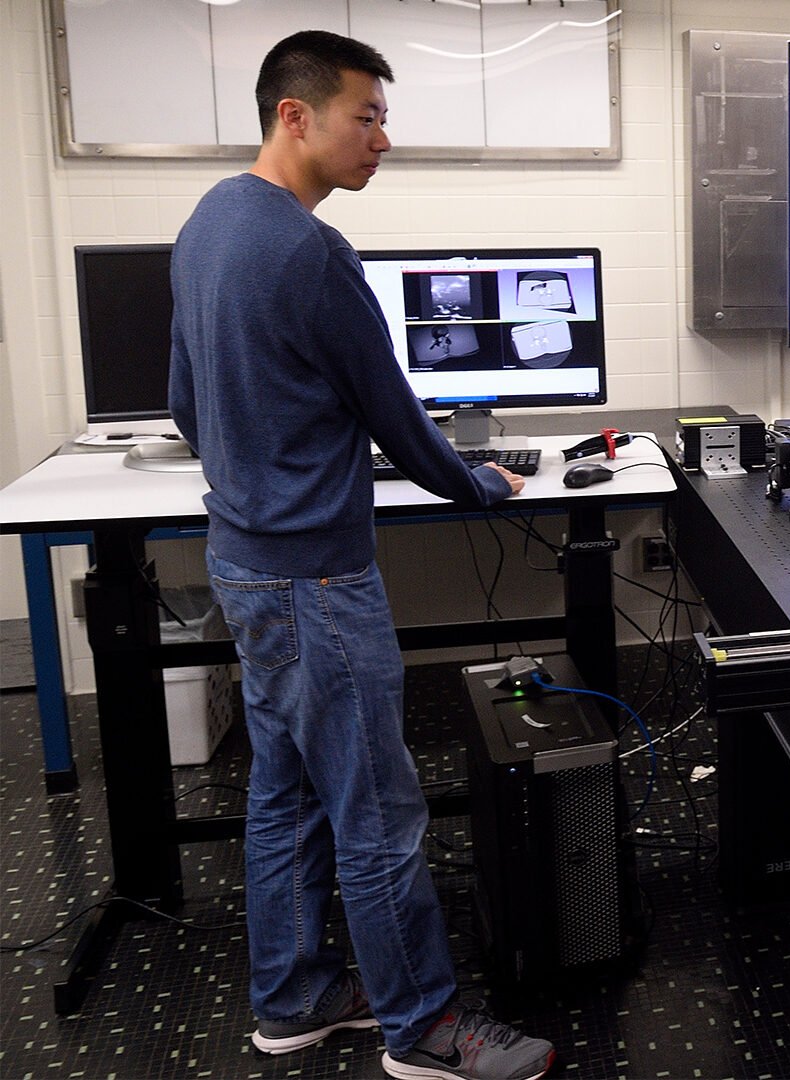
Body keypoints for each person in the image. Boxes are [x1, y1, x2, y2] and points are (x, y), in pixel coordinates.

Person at [168, 30, 556, 1080]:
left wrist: (261, 464)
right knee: (377, 813)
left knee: (286, 794)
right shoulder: (309, 251)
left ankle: (292, 1001)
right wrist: (484, 483)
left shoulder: (206, 224)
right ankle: (423, 1033)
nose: (383, 138)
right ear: (295, 116)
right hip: (318, 579)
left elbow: (184, 404)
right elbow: (399, 421)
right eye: (366, 116)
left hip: (244, 562)